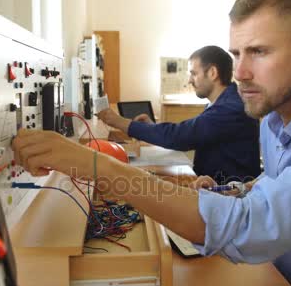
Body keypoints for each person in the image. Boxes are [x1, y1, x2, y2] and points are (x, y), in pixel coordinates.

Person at [13, 0, 291, 286]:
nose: (241, 72)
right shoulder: (273, 119)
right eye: (237, 54)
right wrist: (230, 191)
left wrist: (94, 165)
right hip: (275, 277)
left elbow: (252, 228)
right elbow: (275, 186)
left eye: (259, 52)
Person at [97, 45, 260, 183]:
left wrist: (117, 121)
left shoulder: (231, 108)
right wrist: (152, 128)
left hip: (230, 197)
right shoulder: (222, 102)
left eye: (194, 73)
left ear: (212, 73)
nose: (190, 80)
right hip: (211, 186)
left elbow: (180, 136)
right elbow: (192, 133)